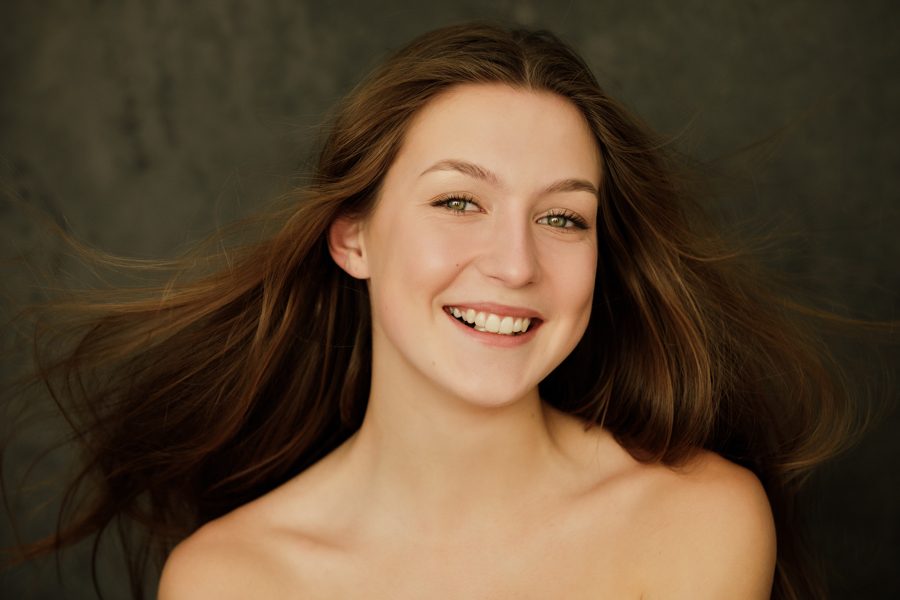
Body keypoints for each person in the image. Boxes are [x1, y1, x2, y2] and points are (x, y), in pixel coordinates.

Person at [4, 21, 867, 600]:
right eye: (459, 202)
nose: (515, 263)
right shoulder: (229, 581)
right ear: (354, 239)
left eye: (563, 218)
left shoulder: (695, 522)